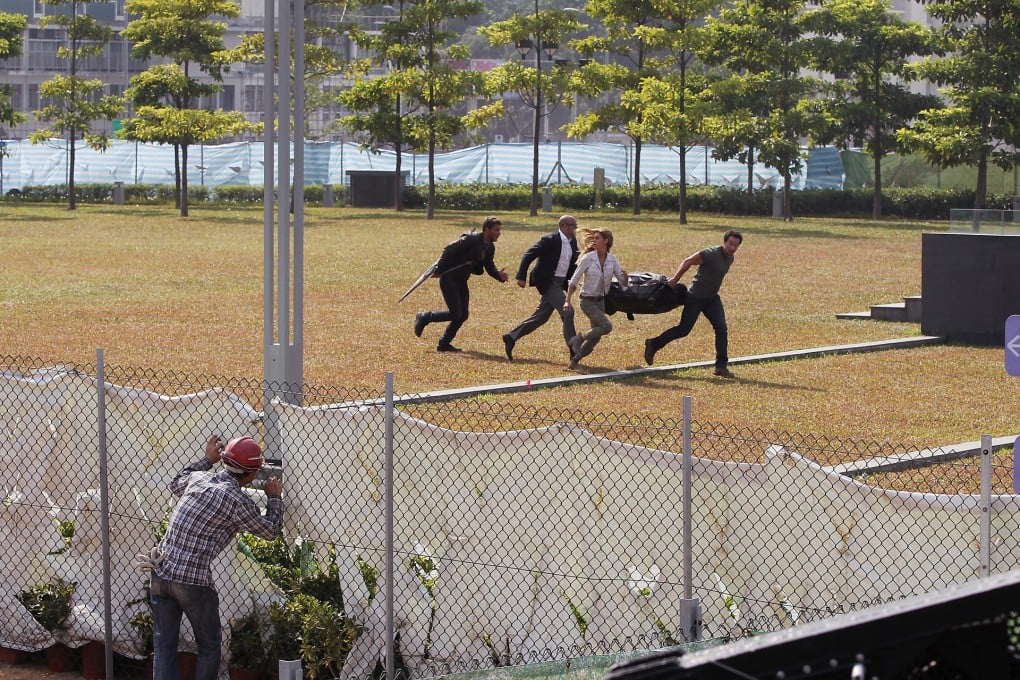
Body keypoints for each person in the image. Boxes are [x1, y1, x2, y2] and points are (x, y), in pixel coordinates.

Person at [146, 435, 282, 680]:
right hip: (193, 580)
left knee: (164, 645)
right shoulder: (237, 501)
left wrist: (207, 460)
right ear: (251, 473)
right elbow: (270, 531)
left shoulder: (198, 479)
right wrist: (273, 496)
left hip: (161, 570)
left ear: (224, 460)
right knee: (209, 647)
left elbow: (175, 483)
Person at [643, 229, 743, 378]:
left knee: (721, 328)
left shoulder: (730, 258)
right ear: (724, 242)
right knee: (683, 330)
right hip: (695, 297)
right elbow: (688, 261)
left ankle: (721, 367)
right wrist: (675, 280)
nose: (732, 248)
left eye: (736, 246)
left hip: (712, 299)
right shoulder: (711, 254)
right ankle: (653, 344)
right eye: (730, 244)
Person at [415, 216, 509, 352]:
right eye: (496, 230)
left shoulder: (489, 248)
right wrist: (439, 270)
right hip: (449, 278)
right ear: (486, 229)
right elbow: (449, 250)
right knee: (455, 313)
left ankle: (444, 344)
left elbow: (489, 266)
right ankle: (425, 317)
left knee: (463, 315)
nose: (499, 233)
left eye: (499, 230)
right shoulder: (471, 239)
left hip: (461, 280)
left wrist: (499, 276)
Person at [501, 214, 579, 361]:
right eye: (573, 226)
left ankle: (511, 337)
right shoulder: (550, 240)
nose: (575, 229)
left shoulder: (572, 242)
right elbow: (529, 255)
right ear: (564, 226)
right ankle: (574, 350)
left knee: (540, 317)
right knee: (568, 311)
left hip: (559, 283)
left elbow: (572, 264)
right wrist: (521, 276)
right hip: (547, 282)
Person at [563, 228, 627, 371]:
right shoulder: (588, 258)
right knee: (606, 327)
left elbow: (622, 281)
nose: (594, 241)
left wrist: (626, 278)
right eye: (594, 238)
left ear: (606, 241)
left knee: (595, 338)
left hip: (600, 301)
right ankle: (577, 339)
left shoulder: (612, 259)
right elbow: (574, 280)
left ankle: (574, 362)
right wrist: (567, 300)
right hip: (587, 301)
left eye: (598, 238)